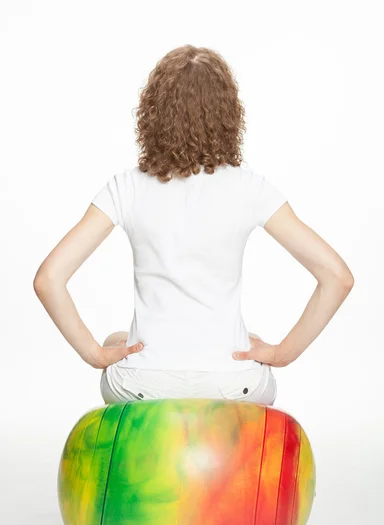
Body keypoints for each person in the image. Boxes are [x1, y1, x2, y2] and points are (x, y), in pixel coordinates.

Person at [33, 45, 354, 406]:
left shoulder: (128, 186)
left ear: (152, 113)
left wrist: (94, 353)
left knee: (113, 341)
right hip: (234, 387)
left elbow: (48, 279)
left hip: (142, 385)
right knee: (248, 339)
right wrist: (282, 353)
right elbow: (337, 277)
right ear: (228, 114)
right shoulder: (250, 187)